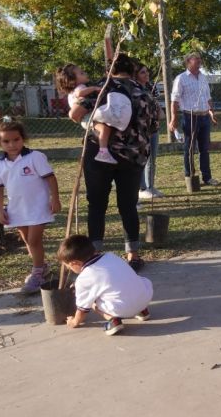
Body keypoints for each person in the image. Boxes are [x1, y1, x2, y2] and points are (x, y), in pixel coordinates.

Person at [69, 53, 159, 272]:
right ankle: (133, 255)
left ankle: (94, 255)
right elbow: (155, 124)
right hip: (133, 157)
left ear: (109, 68)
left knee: (97, 204)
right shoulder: (144, 93)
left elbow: (76, 114)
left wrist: (95, 125)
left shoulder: (101, 88)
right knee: (128, 205)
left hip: (99, 156)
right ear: (132, 69)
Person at [0, 118, 61, 294]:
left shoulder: (35, 157)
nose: (12, 144)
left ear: (23, 139)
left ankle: (37, 274)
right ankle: (42, 267)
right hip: (17, 209)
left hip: (38, 207)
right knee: (26, 240)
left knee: (33, 240)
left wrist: (55, 199)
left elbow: (51, 179)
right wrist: (0, 209)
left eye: (16, 139)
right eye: (6, 141)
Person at [60, 234, 153, 336]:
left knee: (92, 301)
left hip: (123, 309)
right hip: (145, 297)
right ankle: (142, 311)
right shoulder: (111, 256)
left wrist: (74, 322)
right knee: (131, 282)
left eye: (68, 266)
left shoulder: (85, 278)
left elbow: (82, 309)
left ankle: (114, 320)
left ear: (75, 263)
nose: (69, 269)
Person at [168, 52, 219, 186]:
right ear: (188, 62)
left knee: (204, 149)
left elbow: (208, 97)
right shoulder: (181, 78)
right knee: (189, 148)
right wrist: (173, 118)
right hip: (190, 117)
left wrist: (212, 113)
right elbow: (174, 100)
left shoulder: (203, 77)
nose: (199, 61)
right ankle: (189, 176)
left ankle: (207, 178)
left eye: (200, 59)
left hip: (204, 117)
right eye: (196, 59)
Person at [54, 64, 119, 164]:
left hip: (86, 117)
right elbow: (80, 94)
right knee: (105, 129)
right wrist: (94, 88)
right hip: (86, 118)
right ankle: (103, 152)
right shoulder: (79, 88)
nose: (85, 73)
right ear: (73, 80)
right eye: (81, 73)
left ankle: (103, 150)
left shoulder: (77, 88)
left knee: (103, 130)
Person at [136, 63, 164, 200]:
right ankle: (141, 188)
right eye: (142, 72)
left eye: (146, 72)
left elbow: (156, 104)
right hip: (141, 129)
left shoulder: (151, 87)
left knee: (152, 158)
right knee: (142, 159)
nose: (146, 74)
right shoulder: (134, 88)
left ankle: (150, 186)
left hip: (153, 127)